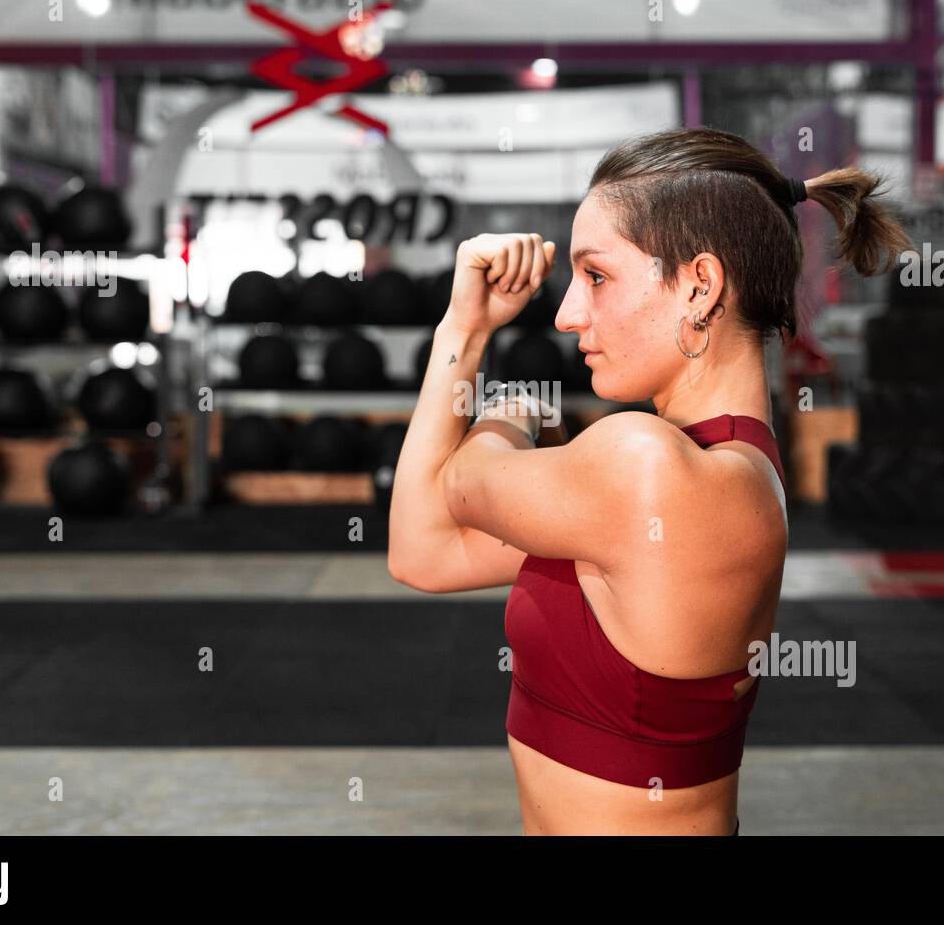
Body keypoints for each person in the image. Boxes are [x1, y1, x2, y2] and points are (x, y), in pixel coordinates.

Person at [388, 127, 910, 835]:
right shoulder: (701, 469)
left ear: (700, 287)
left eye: (597, 277)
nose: (569, 315)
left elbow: (456, 482)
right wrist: (465, 327)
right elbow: (422, 550)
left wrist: (512, 410)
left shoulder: (645, 468)